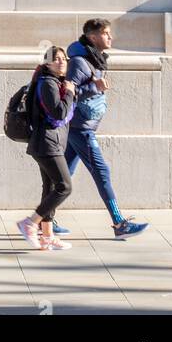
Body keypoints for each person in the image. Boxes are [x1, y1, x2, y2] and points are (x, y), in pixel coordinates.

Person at [64, 18, 148, 239]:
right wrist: (94, 87)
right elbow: (67, 94)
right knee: (102, 172)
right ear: (93, 37)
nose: (110, 37)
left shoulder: (95, 60)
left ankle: (42, 219)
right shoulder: (80, 62)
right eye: (106, 33)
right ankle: (120, 224)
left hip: (83, 126)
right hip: (82, 129)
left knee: (63, 175)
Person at [16, 45, 75, 251]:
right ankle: (30, 223)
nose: (61, 62)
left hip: (49, 142)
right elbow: (59, 113)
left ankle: (47, 237)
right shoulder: (48, 83)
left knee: (50, 188)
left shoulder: (54, 82)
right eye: (56, 59)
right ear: (47, 63)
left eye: (64, 59)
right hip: (47, 143)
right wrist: (69, 93)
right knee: (64, 187)